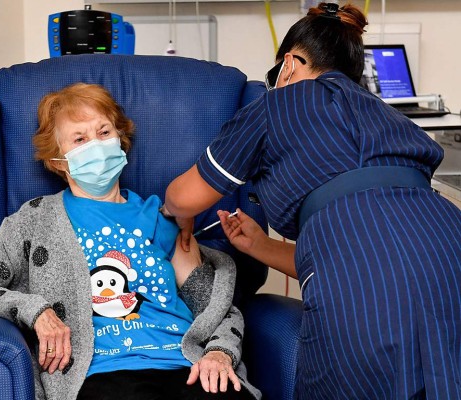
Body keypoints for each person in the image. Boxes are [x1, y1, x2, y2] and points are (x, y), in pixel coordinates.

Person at [163, 3, 461, 399]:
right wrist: (260, 246)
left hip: (363, 285)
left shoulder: (274, 106)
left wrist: (170, 212)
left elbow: (184, 197)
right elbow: (372, 239)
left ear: (288, 64)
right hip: (448, 251)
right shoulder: (388, 115)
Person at [0, 83, 260, 400]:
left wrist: (220, 352)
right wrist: (37, 311)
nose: (96, 146)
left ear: (121, 141)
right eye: (80, 139)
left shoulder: (161, 219)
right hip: (101, 373)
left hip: (185, 366)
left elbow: (215, 307)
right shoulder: (34, 221)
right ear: (59, 160)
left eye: (104, 133)